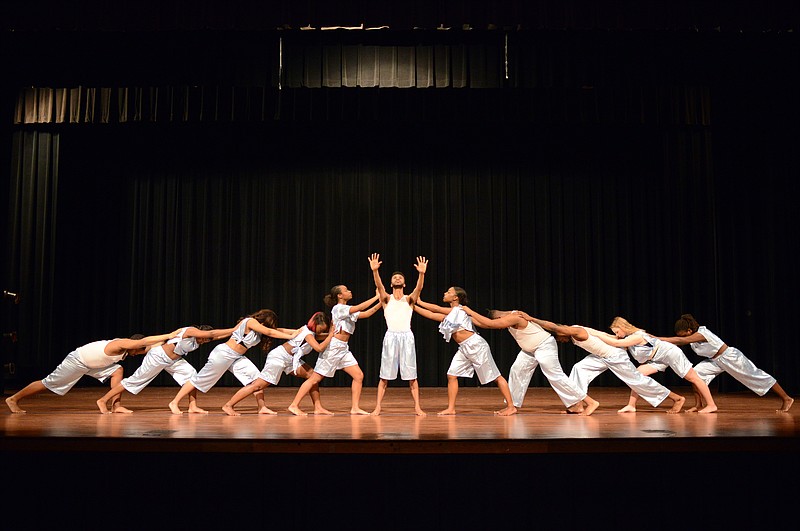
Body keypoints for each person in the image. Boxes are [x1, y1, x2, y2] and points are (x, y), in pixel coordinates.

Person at [520, 314, 686, 413]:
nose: (562, 341)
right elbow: (596, 333)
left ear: (563, 333)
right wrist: (611, 337)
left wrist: (532, 319)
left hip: (614, 356)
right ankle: (576, 404)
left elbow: (553, 326)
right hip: (601, 356)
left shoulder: (575, 331)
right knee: (579, 368)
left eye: (560, 338)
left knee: (636, 380)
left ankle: (676, 399)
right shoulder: (578, 328)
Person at [462, 307, 598, 415]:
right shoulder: (510, 315)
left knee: (555, 376)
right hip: (529, 350)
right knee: (517, 371)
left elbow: (490, 324)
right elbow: (487, 324)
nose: (499, 327)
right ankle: (512, 406)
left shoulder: (515, 317)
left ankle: (589, 402)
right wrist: (466, 317)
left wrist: (469, 311)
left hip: (543, 345)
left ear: (499, 317)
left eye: (499, 322)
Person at [5, 330, 179, 413]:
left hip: (93, 365)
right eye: (139, 350)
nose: (138, 354)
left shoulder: (129, 350)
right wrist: (171, 334)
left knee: (118, 370)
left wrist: (177, 339)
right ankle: (14, 399)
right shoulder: (121, 344)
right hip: (78, 361)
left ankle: (115, 405)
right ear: (134, 346)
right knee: (48, 383)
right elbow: (147, 342)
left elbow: (152, 345)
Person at [168, 309, 299, 415]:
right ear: (263, 320)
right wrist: (291, 337)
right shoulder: (250, 321)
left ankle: (261, 407)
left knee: (255, 379)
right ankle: (174, 402)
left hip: (237, 357)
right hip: (224, 354)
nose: (267, 327)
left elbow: (277, 330)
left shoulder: (259, 329)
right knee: (199, 379)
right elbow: (270, 332)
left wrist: (299, 332)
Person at [658, 313, 793, 413]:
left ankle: (786, 398)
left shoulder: (702, 334)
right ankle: (699, 405)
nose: (683, 337)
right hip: (715, 360)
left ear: (689, 331)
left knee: (756, 375)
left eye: (683, 335)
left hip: (729, 357)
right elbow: (681, 341)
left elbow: (680, 341)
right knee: (696, 376)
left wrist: (657, 339)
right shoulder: (692, 337)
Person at [414, 287, 515, 416]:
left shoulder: (459, 310)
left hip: (476, 346)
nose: (445, 293)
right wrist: (413, 307)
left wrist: (420, 302)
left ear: (456, 297)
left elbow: (436, 309)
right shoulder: (453, 314)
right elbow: (432, 315)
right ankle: (451, 408)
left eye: (449, 292)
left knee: (496, 377)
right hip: (464, 348)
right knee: (452, 375)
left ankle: (511, 406)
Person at [95, 324, 235, 414]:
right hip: (158, 357)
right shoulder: (190, 331)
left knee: (192, 376)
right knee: (135, 380)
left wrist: (236, 332)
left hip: (174, 361)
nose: (205, 341)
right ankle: (103, 400)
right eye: (204, 338)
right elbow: (211, 334)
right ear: (200, 332)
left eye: (206, 341)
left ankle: (192, 406)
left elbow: (215, 336)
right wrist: (235, 329)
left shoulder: (200, 340)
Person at [287, 286, 381, 416]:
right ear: (339, 296)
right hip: (333, 348)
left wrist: (382, 301)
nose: (350, 291)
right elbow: (359, 307)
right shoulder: (338, 309)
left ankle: (355, 407)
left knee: (358, 376)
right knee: (315, 378)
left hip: (343, 348)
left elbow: (367, 313)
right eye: (346, 290)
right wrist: (376, 297)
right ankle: (294, 405)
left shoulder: (347, 310)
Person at [595, 316, 718, 414]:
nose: (617, 335)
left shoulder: (637, 336)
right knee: (636, 375)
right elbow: (614, 339)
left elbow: (616, 343)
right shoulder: (629, 337)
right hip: (656, 358)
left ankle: (711, 405)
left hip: (669, 353)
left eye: (617, 331)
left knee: (692, 377)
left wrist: (596, 335)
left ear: (623, 327)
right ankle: (631, 405)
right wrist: (593, 333)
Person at [222, 312, 335, 416]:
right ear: (315, 324)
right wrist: (330, 336)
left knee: (312, 376)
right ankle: (229, 405)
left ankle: (317, 407)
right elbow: (319, 348)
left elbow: (319, 337)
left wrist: (333, 334)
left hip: (290, 359)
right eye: (321, 328)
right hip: (279, 358)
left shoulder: (310, 333)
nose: (322, 331)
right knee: (258, 385)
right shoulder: (308, 334)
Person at [368, 253, 428, 416]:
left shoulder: (409, 300)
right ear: (391, 282)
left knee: (412, 375)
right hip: (391, 337)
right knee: (384, 375)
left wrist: (421, 274)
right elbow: (379, 286)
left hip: (406, 337)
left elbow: (419, 289)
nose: (397, 278)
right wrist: (375, 271)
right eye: (394, 277)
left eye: (400, 277)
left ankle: (417, 406)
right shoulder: (386, 299)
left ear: (404, 283)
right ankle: (378, 406)